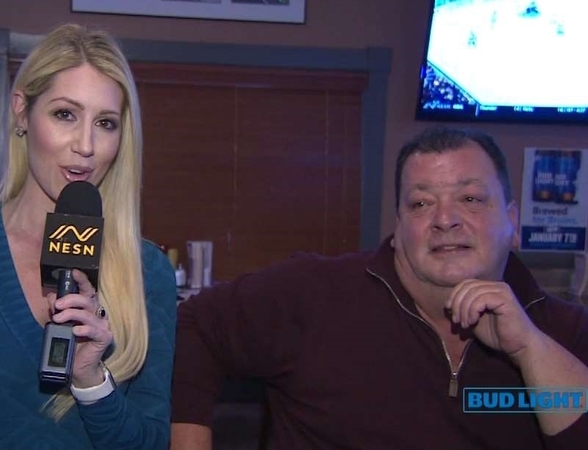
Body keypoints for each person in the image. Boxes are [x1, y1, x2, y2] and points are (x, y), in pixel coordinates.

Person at [170, 126, 588, 449]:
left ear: (513, 220)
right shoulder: (314, 294)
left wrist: (529, 348)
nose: (445, 220)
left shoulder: (566, 332)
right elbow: (195, 326)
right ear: (399, 226)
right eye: (421, 204)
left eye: (471, 199)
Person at [0, 23, 176, 450]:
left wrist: (92, 381)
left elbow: (149, 442)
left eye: (105, 123)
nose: (86, 145)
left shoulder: (148, 272)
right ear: (22, 112)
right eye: (65, 114)